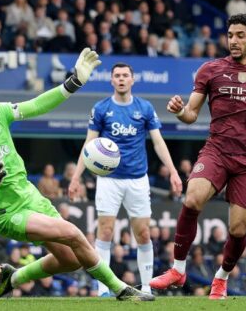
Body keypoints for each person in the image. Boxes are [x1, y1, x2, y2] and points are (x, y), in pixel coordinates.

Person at [0, 48, 153, 301]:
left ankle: (12, 278)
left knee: (70, 260)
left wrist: (73, 83)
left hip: (31, 196)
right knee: (73, 233)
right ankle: (121, 290)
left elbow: (36, 105)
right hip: (6, 213)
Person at [149, 14, 246, 300]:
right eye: (230, 35)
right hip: (216, 150)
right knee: (192, 199)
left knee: (238, 229)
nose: (233, 40)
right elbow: (191, 114)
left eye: (240, 35)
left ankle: (221, 278)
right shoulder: (210, 69)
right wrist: (179, 111)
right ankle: (178, 269)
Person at [68, 62, 182, 296]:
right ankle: (103, 289)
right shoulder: (101, 108)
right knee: (105, 231)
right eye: (117, 75)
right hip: (108, 180)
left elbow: (158, 142)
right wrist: (76, 177)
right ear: (111, 80)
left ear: (132, 80)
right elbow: (89, 145)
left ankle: (147, 287)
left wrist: (173, 171)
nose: (121, 79)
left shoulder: (145, 108)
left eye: (125, 75)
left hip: (137, 179)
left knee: (143, 233)